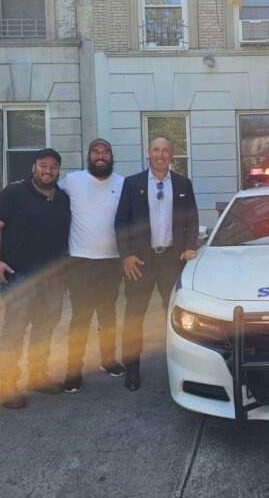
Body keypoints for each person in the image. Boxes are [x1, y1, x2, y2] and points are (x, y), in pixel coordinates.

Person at [0, 148, 71, 409]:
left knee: (45, 328)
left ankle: (37, 375)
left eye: (53, 167)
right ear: (34, 167)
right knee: (14, 330)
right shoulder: (13, 193)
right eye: (43, 166)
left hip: (52, 276)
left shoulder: (62, 198)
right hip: (19, 274)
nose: (48, 171)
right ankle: (8, 383)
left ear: (58, 171)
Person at [114, 136, 199, 391]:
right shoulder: (133, 183)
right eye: (155, 150)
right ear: (148, 153)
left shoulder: (183, 183)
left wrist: (189, 246)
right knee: (134, 316)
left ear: (172, 154)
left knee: (173, 316)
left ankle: (178, 366)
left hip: (171, 260)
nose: (160, 155)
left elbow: (192, 220)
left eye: (165, 150)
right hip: (140, 260)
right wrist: (126, 255)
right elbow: (121, 222)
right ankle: (132, 370)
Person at [59, 139, 125, 394]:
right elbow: (48, 193)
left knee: (108, 314)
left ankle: (108, 360)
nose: (100, 156)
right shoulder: (73, 180)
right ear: (88, 156)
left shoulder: (122, 184)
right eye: (95, 152)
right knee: (80, 317)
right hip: (80, 261)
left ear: (111, 156)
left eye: (105, 152)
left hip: (111, 260)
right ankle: (73, 368)